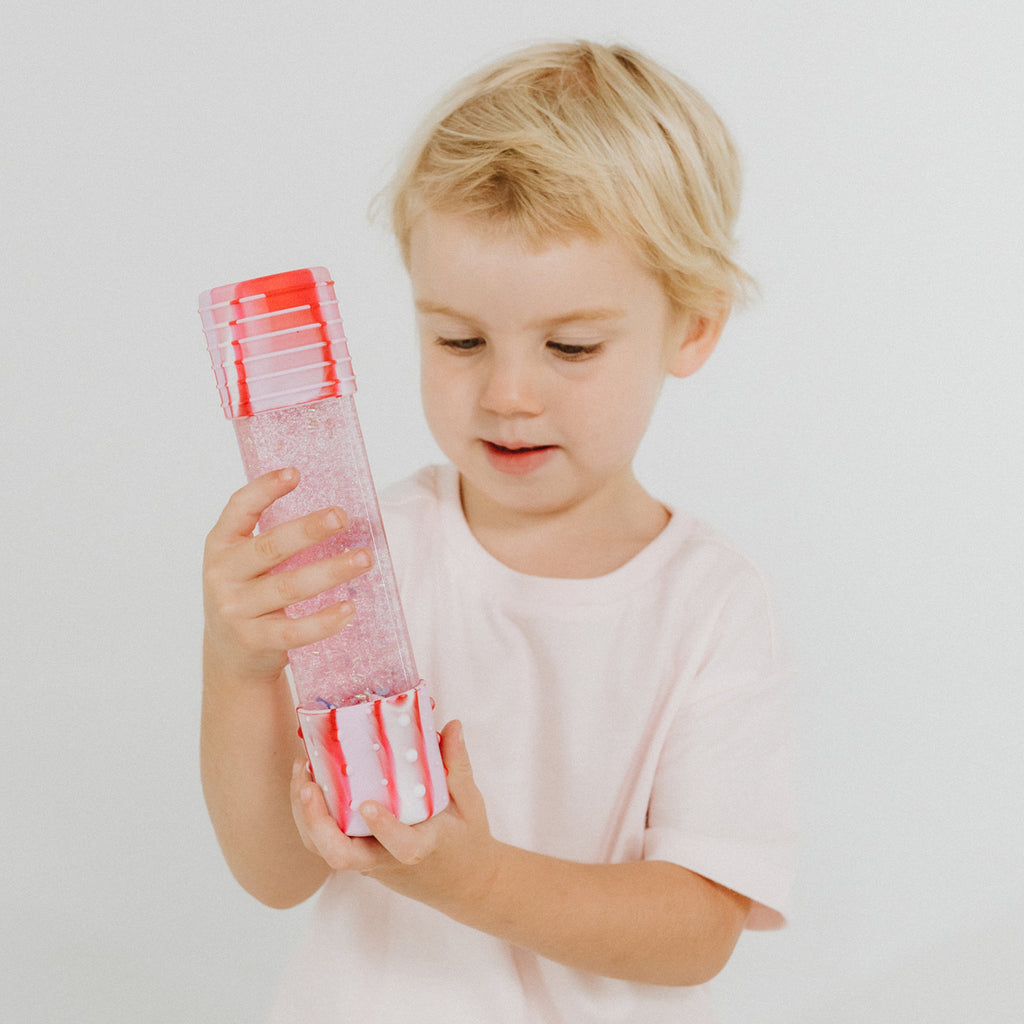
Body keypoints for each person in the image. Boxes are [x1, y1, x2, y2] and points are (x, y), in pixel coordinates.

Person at [201, 40, 794, 1024]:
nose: (507, 393)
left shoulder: (708, 604)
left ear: (691, 325)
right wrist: (237, 666)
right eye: (459, 339)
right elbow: (272, 871)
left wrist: (465, 876)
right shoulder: (362, 549)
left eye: (569, 345)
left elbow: (696, 932)